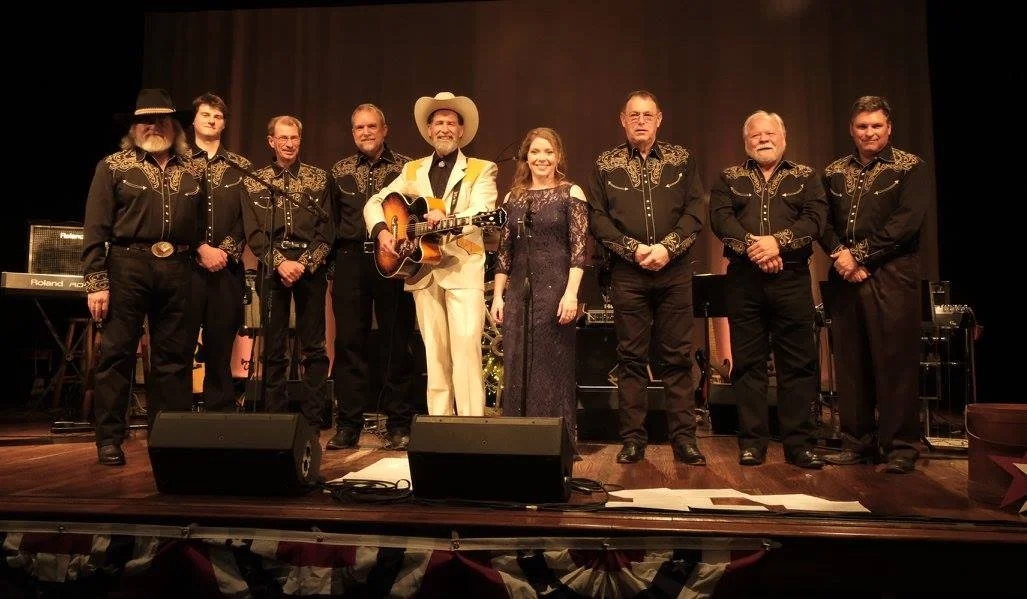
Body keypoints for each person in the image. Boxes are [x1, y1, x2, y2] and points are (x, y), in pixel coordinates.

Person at [82, 88, 203, 466]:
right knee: (117, 354)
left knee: (174, 359)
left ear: (174, 126)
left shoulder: (193, 170)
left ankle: (170, 437)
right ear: (134, 127)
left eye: (163, 119)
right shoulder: (113, 166)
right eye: (146, 120)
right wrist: (96, 282)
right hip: (127, 265)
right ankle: (109, 439)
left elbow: (202, 226)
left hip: (178, 268)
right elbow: (95, 228)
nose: (155, 126)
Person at [587, 90, 707, 465]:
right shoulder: (605, 164)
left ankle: (684, 439)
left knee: (677, 357)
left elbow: (694, 210)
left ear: (660, 119)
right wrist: (633, 249)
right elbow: (597, 217)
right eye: (633, 115)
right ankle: (633, 440)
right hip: (627, 273)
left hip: (674, 271)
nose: (640, 120)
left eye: (647, 114)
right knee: (630, 358)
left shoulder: (682, 159)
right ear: (622, 119)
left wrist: (668, 248)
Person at [364, 92, 498, 417]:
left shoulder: (481, 169)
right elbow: (375, 202)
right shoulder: (412, 170)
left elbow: (483, 210)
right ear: (429, 129)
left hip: (463, 270)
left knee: (466, 356)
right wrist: (382, 230)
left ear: (462, 130)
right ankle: (440, 430)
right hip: (422, 272)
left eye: (451, 122)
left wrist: (447, 224)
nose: (444, 128)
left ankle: (471, 433)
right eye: (438, 122)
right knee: (435, 359)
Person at [709, 110, 827, 469]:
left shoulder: (807, 177)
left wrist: (778, 243)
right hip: (744, 280)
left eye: (770, 134)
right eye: (756, 135)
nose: (763, 139)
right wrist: (756, 249)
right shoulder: (728, 178)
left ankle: (799, 445)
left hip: (791, 278)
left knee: (799, 365)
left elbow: (815, 220)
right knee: (748, 365)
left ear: (783, 138)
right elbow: (721, 220)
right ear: (746, 142)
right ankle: (752, 443)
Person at [820, 96, 931, 474]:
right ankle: (857, 442)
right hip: (845, 275)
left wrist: (861, 256)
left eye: (876, 126)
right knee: (851, 361)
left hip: (893, 273)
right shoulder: (833, 171)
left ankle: (900, 447)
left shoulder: (910, 167)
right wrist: (841, 256)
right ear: (852, 130)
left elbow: (907, 222)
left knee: (895, 361)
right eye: (862, 126)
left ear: (889, 128)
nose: (869, 132)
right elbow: (822, 221)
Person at [489, 127, 588, 447]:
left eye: (548, 152)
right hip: (520, 292)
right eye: (535, 152)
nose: (541, 158)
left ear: (558, 157)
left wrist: (571, 293)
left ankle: (554, 442)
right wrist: (498, 296)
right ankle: (517, 440)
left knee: (550, 364)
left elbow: (579, 250)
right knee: (518, 363)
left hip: (556, 289)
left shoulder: (570, 193)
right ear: (525, 157)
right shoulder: (512, 197)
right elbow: (504, 252)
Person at [326, 104, 417, 451]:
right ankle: (348, 425)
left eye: (372, 126)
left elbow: (417, 211)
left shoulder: (406, 168)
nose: (366, 132)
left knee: (397, 341)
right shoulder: (339, 170)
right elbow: (332, 223)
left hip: (394, 261)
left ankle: (398, 424)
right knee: (349, 344)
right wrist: (335, 270)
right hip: (352, 260)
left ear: (385, 129)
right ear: (353, 132)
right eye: (359, 127)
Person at [242, 115, 333, 429]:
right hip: (273, 269)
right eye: (283, 138)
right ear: (271, 141)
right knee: (274, 344)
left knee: (315, 346)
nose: (289, 144)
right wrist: (279, 262)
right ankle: (275, 416)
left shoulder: (319, 179)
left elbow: (327, 231)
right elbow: (253, 233)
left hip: (310, 267)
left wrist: (304, 263)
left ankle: (313, 415)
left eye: (294, 137)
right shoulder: (253, 180)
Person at [185, 92, 252, 412]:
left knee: (220, 341)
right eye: (206, 115)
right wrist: (200, 248)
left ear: (224, 123)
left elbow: (247, 217)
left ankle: (219, 409)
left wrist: (223, 251)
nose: (212, 120)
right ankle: (175, 411)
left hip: (227, 268)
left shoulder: (241, 166)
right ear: (194, 120)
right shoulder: (176, 161)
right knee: (178, 341)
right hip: (185, 266)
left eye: (218, 116)